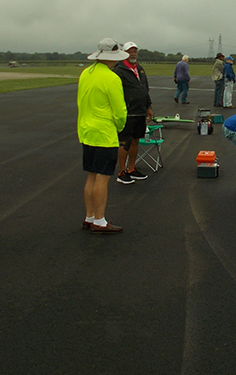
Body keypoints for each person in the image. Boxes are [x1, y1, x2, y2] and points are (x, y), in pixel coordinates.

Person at [77, 38, 128, 234]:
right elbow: (120, 111)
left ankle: (89, 217)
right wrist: (121, 126)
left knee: (91, 174)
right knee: (103, 177)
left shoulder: (85, 73)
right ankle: (99, 220)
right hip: (104, 132)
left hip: (87, 130)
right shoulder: (112, 78)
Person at [113, 41, 153, 184]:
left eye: (135, 51)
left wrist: (148, 106)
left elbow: (144, 89)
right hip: (127, 112)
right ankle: (122, 171)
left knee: (136, 140)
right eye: (130, 51)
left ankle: (132, 169)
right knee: (125, 142)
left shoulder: (139, 69)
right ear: (124, 53)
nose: (133, 54)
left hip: (140, 111)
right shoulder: (119, 69)